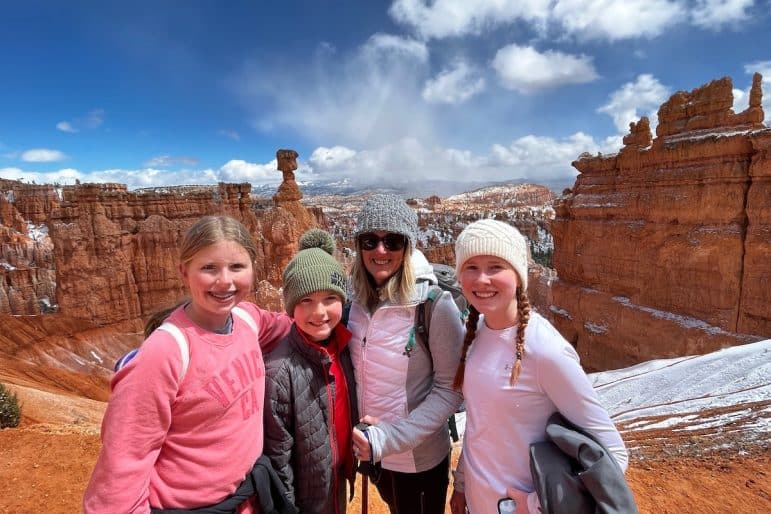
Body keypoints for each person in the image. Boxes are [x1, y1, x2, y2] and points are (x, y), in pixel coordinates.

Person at [83, 215, 293, 514]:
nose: (225, 281)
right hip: (188, 507)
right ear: (184, 272)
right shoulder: (164, 352)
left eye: (237, 266)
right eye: (209, 268)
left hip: (246, 498)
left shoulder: (247, 319)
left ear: (252, 268)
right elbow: (123, 462)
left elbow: (294, 326)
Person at [448, 219, 629, 514]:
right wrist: (462, 484)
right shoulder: (477, 334)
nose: (481, 279)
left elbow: (614, 455)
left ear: (518, 275)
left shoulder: (545, 350)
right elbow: (481, 425)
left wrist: (536, 504)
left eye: (495, 266)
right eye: (471, 267)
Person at [348, 194, 464, 514]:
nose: (380, 251)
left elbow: (450, 389)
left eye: (393, 241)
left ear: (408, 245)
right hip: (373, 454)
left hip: (419, 461)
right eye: (369, 240)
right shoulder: (353, 302)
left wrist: (390, 438)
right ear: (358, 246)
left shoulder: (433, 305)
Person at [263, 228, 358, 514]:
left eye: (330, 298)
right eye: (306, 300)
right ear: (291, 308)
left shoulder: (344, 348)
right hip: (306, 502)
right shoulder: (280, 373)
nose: (319, 312)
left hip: (336, 483)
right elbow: (278, 459)